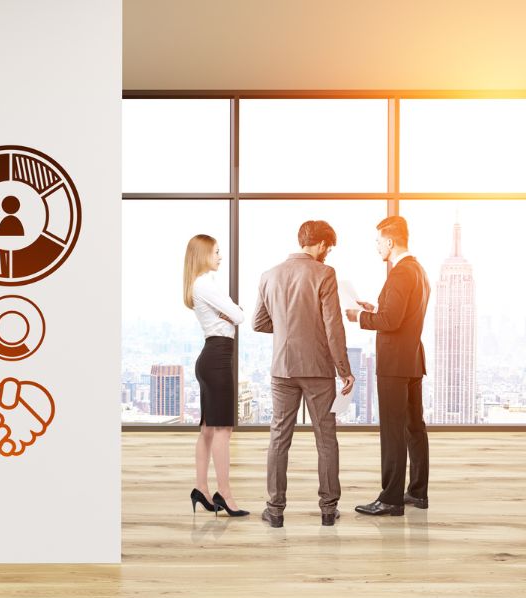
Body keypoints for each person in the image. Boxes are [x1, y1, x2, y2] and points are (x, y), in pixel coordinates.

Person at [253, 220, 354, 527]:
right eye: (329, 247)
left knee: (279, 437)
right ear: (321, 243)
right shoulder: (324, 274)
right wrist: (344, 370)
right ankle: (327, 509)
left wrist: (287, 328)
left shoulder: (268, 275)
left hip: (282, 368)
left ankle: (275, 510)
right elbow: (333, 327)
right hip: (317, 369)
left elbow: (259, 323)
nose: (329, 253)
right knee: (325, 438)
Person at [345, 215, 431, 516]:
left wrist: (360, 317)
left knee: (393, 431)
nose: (377, 246)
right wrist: (375, 308)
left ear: (391, 241)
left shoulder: (399, 273)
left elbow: (391, 321)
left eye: (379, 241)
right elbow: (401, 315)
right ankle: (417, 493)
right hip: (412, 359)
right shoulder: (418, 270)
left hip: (394, 363)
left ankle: (391, 499)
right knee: (414, 427)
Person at [183, 234, 249, 517]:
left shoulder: (200, 285)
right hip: (217, 359)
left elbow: (234, 315)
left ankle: (202, 489)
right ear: (203, 255)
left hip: (212, 357)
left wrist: (232, 314)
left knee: (209, 429)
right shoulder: (205, 284)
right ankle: (225, 494)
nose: (221, 256)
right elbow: (239, 315)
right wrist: (232, 313)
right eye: (216, 252)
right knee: (223, 430)